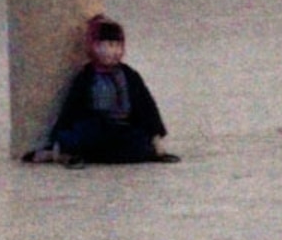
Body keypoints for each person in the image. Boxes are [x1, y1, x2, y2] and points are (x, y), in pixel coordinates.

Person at [28, 15, 177, 164]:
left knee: (137, 143)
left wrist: (155, 137)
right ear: (93, 47)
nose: (110, 52)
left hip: (123, 128)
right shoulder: (87, 77)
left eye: (115, 46)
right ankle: (59, 153)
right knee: (85, 135)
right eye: (103, 46)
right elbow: (72, 107)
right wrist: (58, 136)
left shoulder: (129, 76)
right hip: (97, 127)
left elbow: (146, 105)